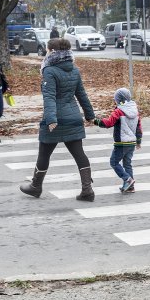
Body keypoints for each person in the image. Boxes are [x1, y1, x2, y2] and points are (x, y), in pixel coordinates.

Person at [19, 38, 97, 201]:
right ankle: (87, 190)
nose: (46, 52)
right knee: (79, 154)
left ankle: (35, 186)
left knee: (44, 154)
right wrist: (90, 115)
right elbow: (81, 94)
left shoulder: (49, 71)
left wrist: (51, 119)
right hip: (74, 118)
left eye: (47, 50)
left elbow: (49, 97)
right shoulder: (74, 70)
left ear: (52, 52)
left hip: (56, 120)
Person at [93, 88, 143, 193]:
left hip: (121, 143)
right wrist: (138, 141)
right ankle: (131, 186)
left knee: (114, 162)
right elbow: (139, 128)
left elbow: (108, 123)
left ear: (119, 100)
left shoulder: (118, 111)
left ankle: (127, 179)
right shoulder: (135, 111)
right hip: (131, 143)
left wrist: (96, 121)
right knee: (127, 164)